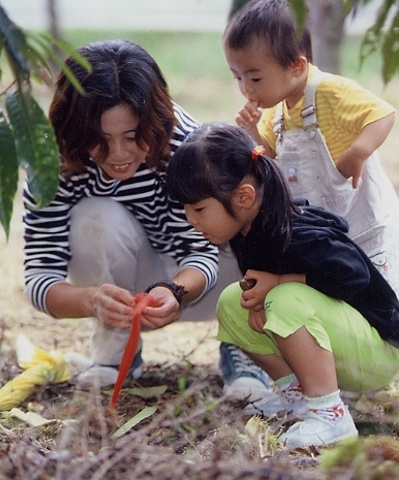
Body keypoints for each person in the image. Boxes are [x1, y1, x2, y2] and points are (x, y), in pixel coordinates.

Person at [22, 39, 269, 394]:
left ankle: (244, 342)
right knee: (95, 218)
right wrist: (92, 300)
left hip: (211, 282)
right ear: (75, 129)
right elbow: (40, 277)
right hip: (130, 280)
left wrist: (175, 291)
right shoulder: (53, 162)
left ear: (153, 120)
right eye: (100, 139)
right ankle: (115, 347)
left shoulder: (189, 144)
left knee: (232, 214)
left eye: (132, 136)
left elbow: (200, 250)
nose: (118, 154)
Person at [166, 122, 399, 448]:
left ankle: (330, 416)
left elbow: (354, 276)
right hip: (336, 346)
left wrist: (280, 282)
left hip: (377, 352)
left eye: (198, 209)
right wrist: (260, 299)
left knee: (284, 298)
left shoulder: (296, 234)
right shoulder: (246, 230)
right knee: (232, 302)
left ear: (244, 197)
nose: (190, 220)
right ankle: (298, 397)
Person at [222, 0, 399, 310]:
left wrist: (358, 151)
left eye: (255, 78)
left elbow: (382, 114)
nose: (246, 89)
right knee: (332, 284)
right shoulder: (277, 109)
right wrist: (252, 133)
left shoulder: (330, 91)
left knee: (372, 288)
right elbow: (273, 153)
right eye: (238, 77)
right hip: (322, 224)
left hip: (357, 217)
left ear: (296, 66)